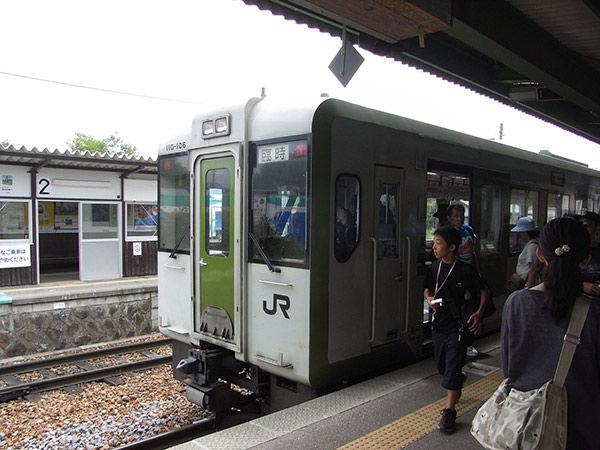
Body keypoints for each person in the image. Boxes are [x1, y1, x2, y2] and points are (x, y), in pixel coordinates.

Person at [501, 217, 600, 449]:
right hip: (583, 434)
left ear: (540, 256)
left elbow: (509, 370)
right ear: (585, 259)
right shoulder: (595, 312)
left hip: (527, 431)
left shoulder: (516, 304)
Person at [424, 225, 488, 434]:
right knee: (442, 366)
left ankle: (449, 411)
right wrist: (429, 299)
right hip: (438, 326)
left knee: (451, 367)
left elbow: (483, 291)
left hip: (457, 326)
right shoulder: (434, 267)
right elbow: (427, 288)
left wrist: (478, 314)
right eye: (434, 243)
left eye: (438, 243)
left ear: (451, 247)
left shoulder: (465, 270)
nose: (434, 247)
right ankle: (457, 381)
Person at [446, 203, 490, 357]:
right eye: (456, 216)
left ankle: (465, 341)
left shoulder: (468, 231)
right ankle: (457, 341)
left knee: (470, 306)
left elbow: (473, 253)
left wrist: (477, 270)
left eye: (461, 216)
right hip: (456, 275)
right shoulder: (448, 234)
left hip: (470, 273)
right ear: (449, 218)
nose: (459, 219)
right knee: (457, 307)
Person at [510, 217, 540, 288]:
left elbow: (533, 268)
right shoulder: (530, 244)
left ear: (527, 232)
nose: (520, 234)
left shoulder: (532, 246)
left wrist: (528, 285)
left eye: (521, 232)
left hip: (526, 282)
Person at [578, 212, 600, 296]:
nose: (582, 228)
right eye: (580, 225)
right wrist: (581, 286)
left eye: (586, 225)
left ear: (597, 229)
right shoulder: (570, 251)